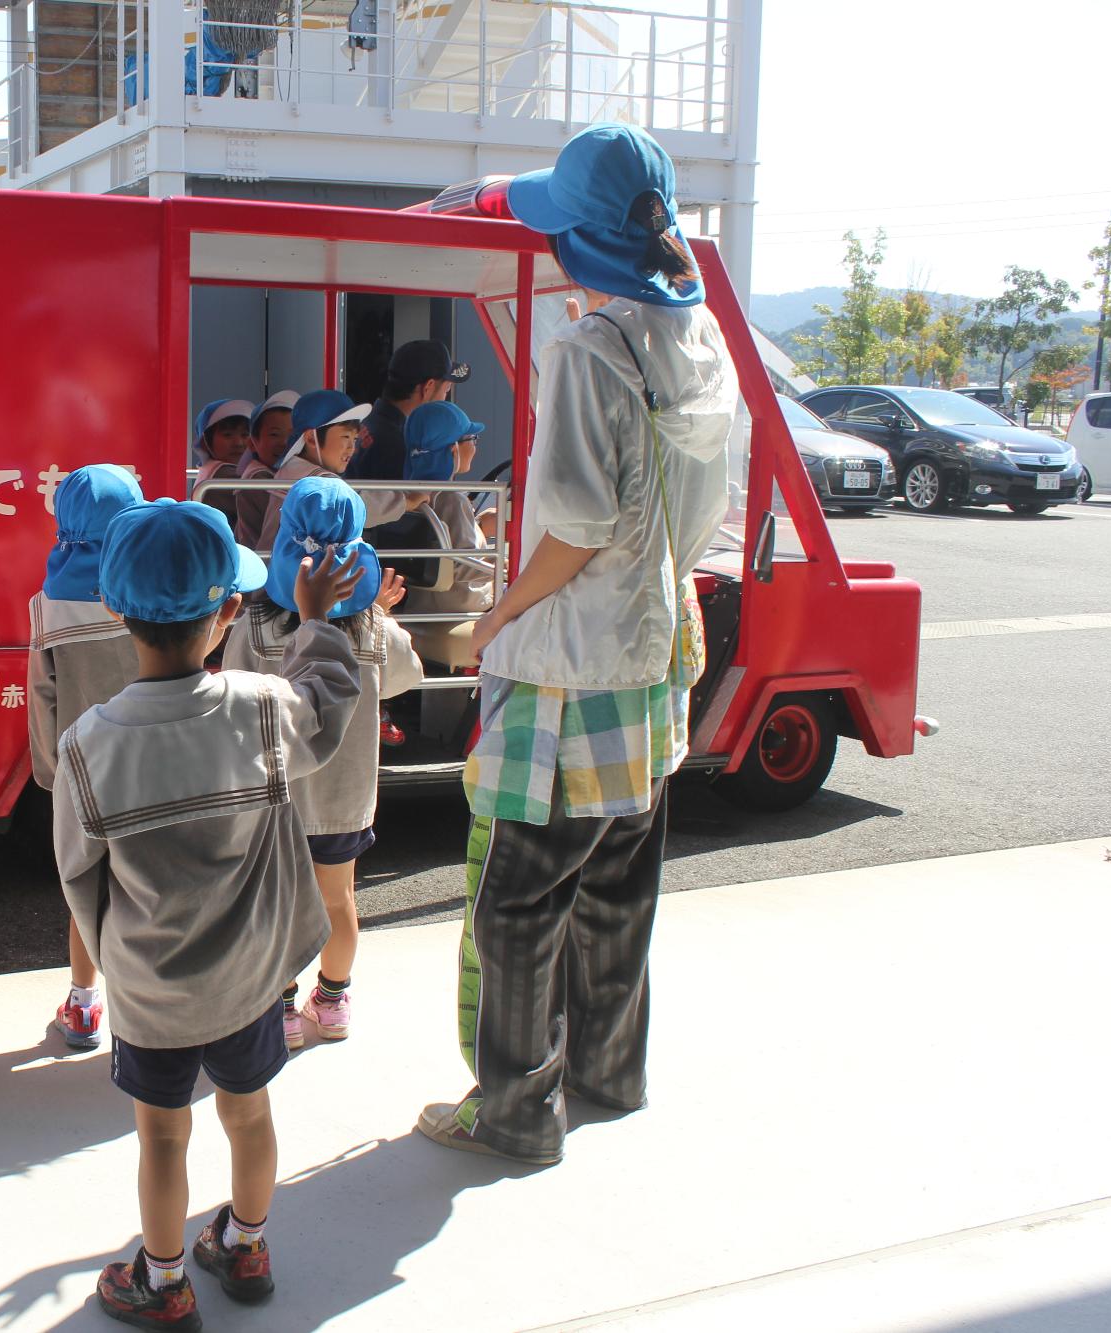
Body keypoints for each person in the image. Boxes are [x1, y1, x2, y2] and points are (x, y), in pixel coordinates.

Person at [418, 123, 736, 1166]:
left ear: (584, 242)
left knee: (517, 898)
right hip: (651, 662)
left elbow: (573, 521)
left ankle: (513, 1111)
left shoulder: (587, 348)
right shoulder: (703, 344)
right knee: (616, 885)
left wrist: (498, 614)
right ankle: (609, 1071)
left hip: (565, 669)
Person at [55, 498, 363, 1330]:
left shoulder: (88, 744)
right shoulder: (262, 707)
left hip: (153, 992)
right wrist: (315, 621)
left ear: (116, 608)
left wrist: (116, 958)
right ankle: (247, 1242)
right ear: (228, 611)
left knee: (162, 1137)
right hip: (252, 982)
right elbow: (328, 706)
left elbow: (79, 876)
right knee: (251, 1111)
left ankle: (162, 1280)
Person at [223, 476, 421, 1048]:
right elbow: (407, 678)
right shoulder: (372, 627)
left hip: (277, 794)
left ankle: (282, 1011)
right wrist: (383, 615)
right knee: (339, 899)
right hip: (345, 797)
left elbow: (235, 690)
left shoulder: (256, 623)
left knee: (280, 905)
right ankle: (332, 1004)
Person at [26, 463, 147, 1048]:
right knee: (150, 889)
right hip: (154, 766)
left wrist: (50, 775)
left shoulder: (50, 601)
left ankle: (83, 1005)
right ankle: (149, 1008)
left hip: (82, 773)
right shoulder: (148, 585)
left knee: (87, 889)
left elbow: (42, 695)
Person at [258, 389, 427, 552]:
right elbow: (354, 506)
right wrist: (406, 502)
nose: (351, 447)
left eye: (354, 439)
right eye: (345, 437)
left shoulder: (291, 469)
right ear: (311, 437)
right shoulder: (319, 480)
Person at [393, 400, 497, 622]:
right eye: (472, 439)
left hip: (420, 605)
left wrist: (477, 526)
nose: (476, 446)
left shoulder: (406, 493)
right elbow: (461, 567)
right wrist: (504, 562)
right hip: (458, 610)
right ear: (453, 449)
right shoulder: (452, 498)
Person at [346, 339, 470, 483]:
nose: (446, 397)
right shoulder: (402, 447)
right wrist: (452, 464)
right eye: (446, 388)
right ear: (428, 387)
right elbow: (411, 503)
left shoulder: (367, 423)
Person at [233, 389, 298, 550]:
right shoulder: (258, 478)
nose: (283, 443)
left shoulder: (275, 473)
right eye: (274, 434)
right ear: (252, 442)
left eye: (292, 435)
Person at [189, 398, 255, 524]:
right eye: (227, 435)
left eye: (245, 434)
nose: (238, 443)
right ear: (205, 442)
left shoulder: (210, 468)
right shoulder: (225, 475)